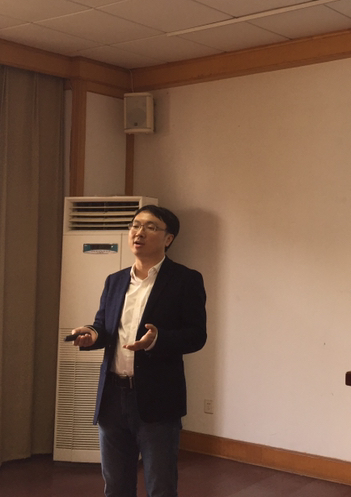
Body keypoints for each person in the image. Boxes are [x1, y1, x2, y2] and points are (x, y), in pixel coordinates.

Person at [71, 205, 207, 497]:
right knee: (116, 486)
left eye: (150, 226)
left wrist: (157, 339)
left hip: (157, 398)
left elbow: (197, 336)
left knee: (160, 486)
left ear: (168, 239)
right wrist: (92, 334)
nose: (139, 232)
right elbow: (104, 326)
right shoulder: (115, 280)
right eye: (135, 225)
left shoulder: (185, 279)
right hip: (112, 397)